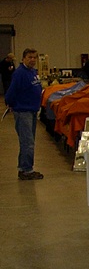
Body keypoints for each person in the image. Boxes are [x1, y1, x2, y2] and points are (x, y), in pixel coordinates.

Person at [4, 48, 44, 180]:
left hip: (32, 110)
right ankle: (27, 170)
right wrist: (9, 102)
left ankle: (23, 167)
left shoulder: (32, 72)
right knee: (28, 142)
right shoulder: (20, 73)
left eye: (34, 57)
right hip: (23, 111)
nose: (32, 60)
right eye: (29, 57)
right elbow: (12, 91)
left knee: (28, 141)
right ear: (23, 59)